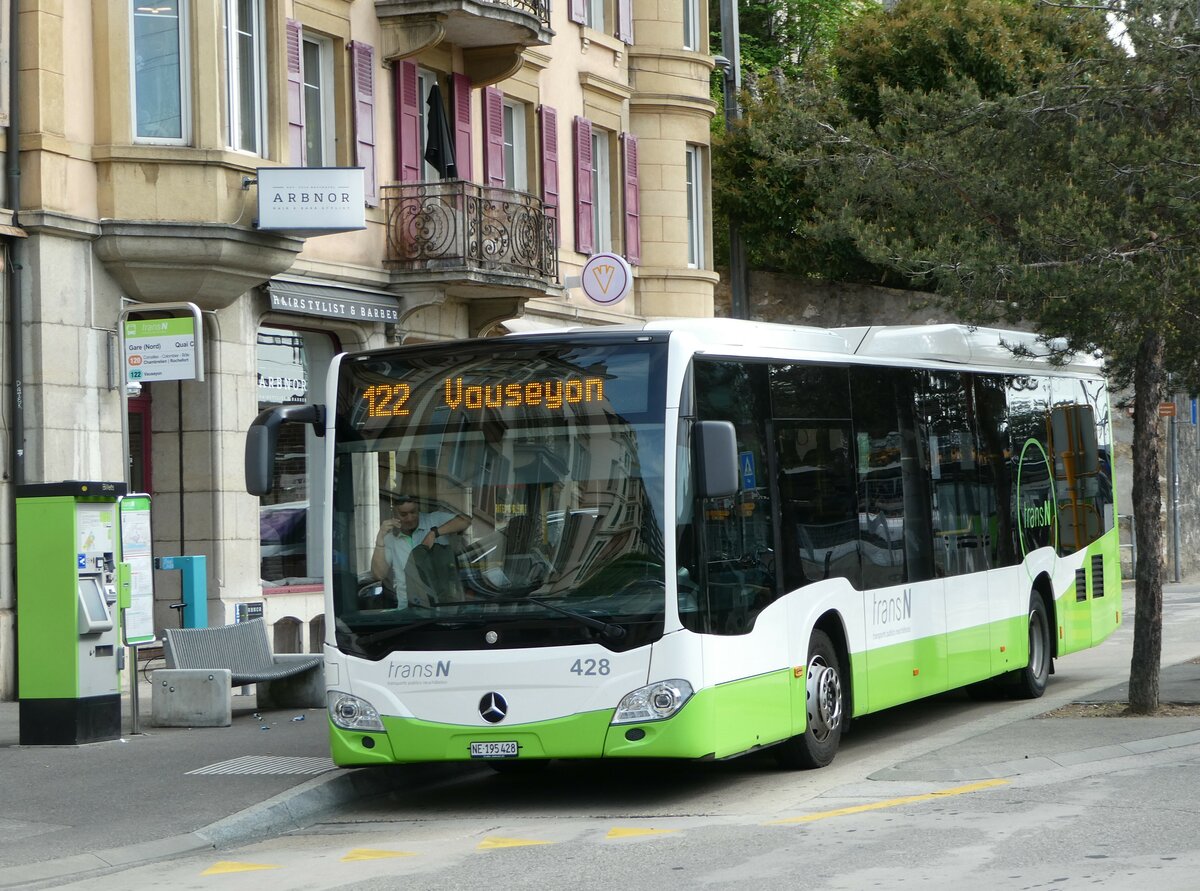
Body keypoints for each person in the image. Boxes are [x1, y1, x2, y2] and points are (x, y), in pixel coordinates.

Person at [371, 495, 470, 605]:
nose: (410, 518)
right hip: (408, 605)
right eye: (404, 514)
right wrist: (380, 538)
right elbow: (379, 575)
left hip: (443, 603)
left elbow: (465, 521)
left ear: (418, 509)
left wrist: (434, 533)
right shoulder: (390, 538)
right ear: (394, 514)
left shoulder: (434, 520)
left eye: (413, 512)